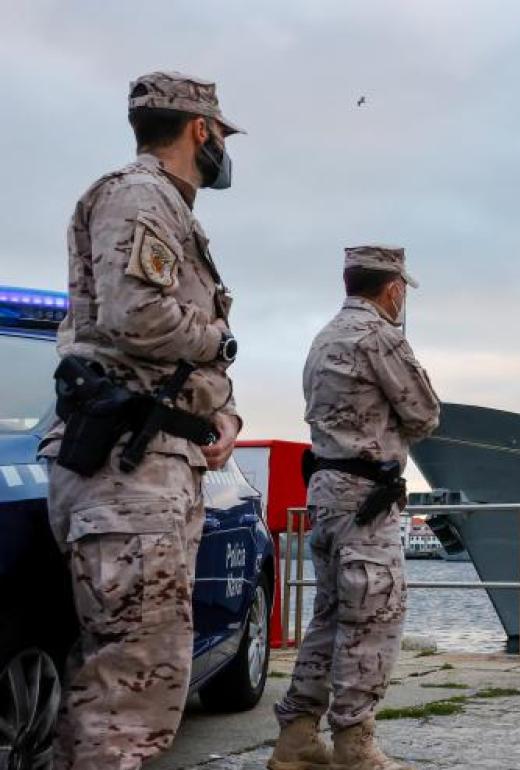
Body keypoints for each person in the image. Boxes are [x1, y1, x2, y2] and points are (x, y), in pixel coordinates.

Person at [38, 71, 244, 769]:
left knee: (135, 680)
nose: (222, 150)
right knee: (129, 693)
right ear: (199, 129)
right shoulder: (140, 195)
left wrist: (222, 414)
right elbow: (137, 316)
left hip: (153, 462)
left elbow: (164, 356)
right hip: (129, 470)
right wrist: (222, 342)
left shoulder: (166, 207)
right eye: (220, 135)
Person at [270, 245, 440, 770]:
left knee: (328, 618)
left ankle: (297, 737)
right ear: (393, 289)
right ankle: (354, 744)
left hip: (325, 493)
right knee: (373, 618)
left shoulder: (324, 336)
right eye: (402, 291)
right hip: (367, 500)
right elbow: (425, 413)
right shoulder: (380, 336)